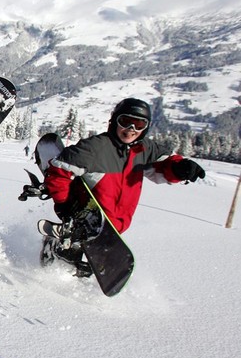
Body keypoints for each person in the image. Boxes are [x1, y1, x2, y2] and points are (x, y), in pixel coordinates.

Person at [43, 97, 205, 265]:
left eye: (139, 125)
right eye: (125, 121)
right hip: (88, 221)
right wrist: (64, 205)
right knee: (67, 262)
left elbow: (165, 164)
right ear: (114, 121)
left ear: (146, 127)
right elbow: (59, 170)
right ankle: (51, 261)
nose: (131, 129)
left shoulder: (144, 149)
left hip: (116, 226)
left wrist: (181, 168)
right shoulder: (96, 148)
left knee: (90, 263)